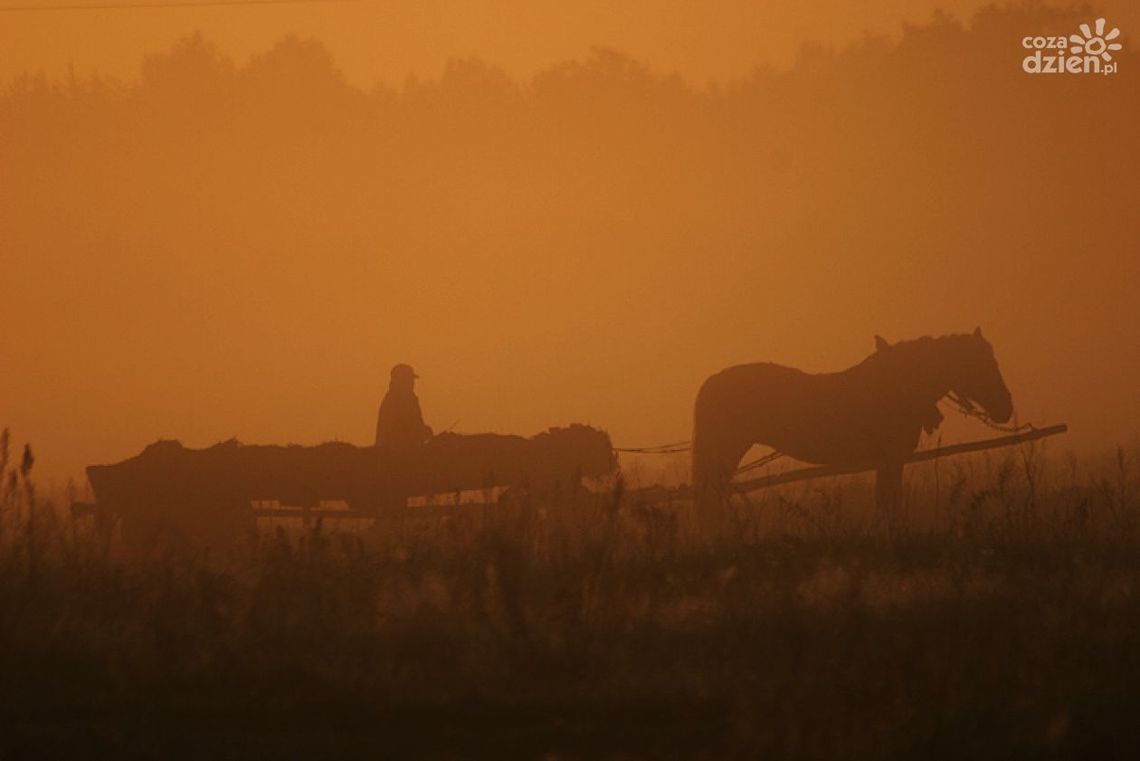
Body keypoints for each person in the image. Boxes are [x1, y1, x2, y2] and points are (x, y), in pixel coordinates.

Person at [374, 364, 433, 448]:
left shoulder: (405, 399)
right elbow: (400, 431)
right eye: (410, 380)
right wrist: (423, 432)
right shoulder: (395, 402)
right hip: (397, 453)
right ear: (402, 381)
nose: (413, 383)